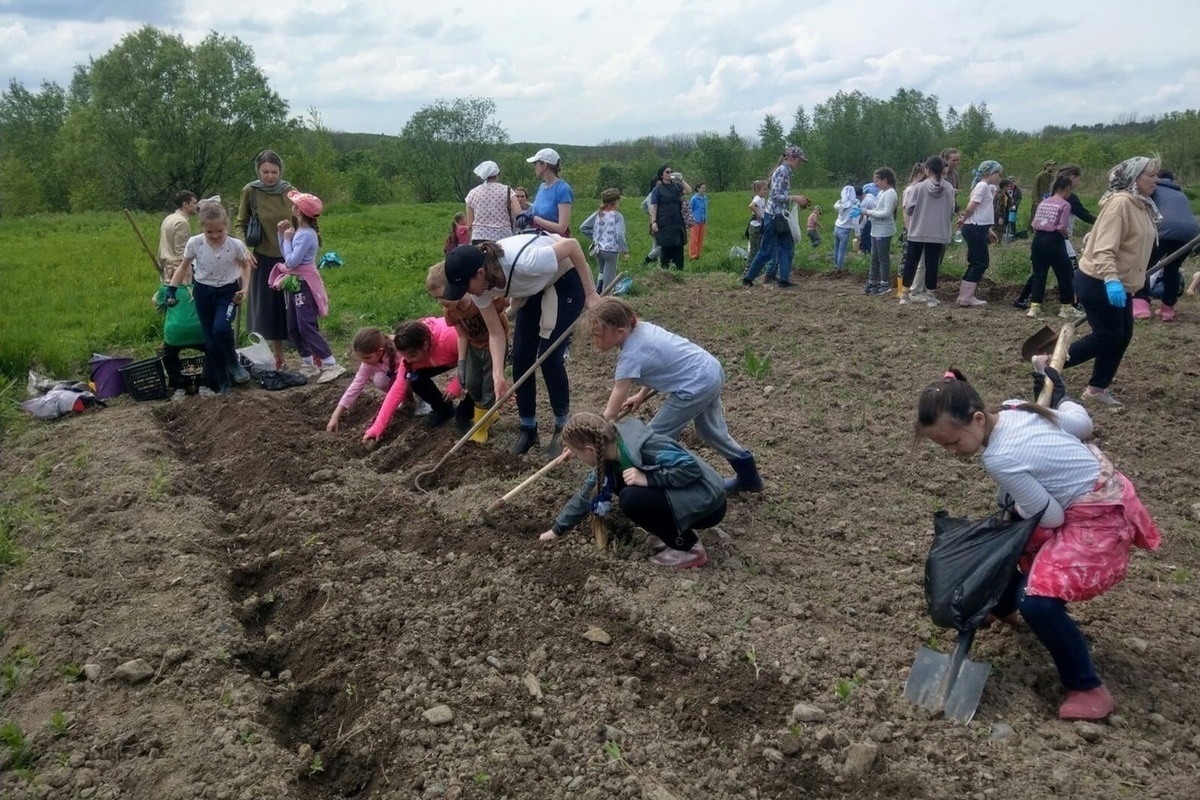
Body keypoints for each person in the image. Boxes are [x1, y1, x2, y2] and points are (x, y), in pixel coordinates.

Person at [914, 367, 1159, 721]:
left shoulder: (998, 457)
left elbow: (1050, 517)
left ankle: (1087, 688)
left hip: (1098, 522)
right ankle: (1001, 605)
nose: (952, 452)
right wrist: (1061, 395)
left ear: (979, 419)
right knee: (1017, 549)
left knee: (1039, 600)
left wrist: (1015, 506)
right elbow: (1081, 424)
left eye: (953, 442)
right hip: (1110, 491)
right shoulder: (1018, 409)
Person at [440, 233, 602, 457]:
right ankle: (528, 429)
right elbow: (495, 333)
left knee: (550, 358)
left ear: (480, 273)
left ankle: (562, 429)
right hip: (532, 287)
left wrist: (591, 293)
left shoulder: (526, 261)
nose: (466, 294)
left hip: (564, 278)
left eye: (466, 287)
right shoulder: (479, 288)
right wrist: (498, 374)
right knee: (521, 358)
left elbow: (572, 245)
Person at [588, 297, 765, 493]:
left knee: (652, 437)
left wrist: (601, 427)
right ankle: (749, 477)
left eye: (597, 335)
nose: (594, 341)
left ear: (619, 333)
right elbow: (658, 362)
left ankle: (656, 481)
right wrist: (641, 394)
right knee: (711, 432)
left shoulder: (630, 355)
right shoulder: (641, 329)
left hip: (695, 385)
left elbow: (616, 399)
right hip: (710, 369)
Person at [538, 412, 727, 569]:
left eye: (578, 455)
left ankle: (688, 548)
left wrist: (648, 478)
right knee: (623, 485)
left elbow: (690, 467)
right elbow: (587, 492)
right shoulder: (610, 450)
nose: (577, 458)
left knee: (631, 498)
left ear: (590, 450)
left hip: (710, 503)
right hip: (690, 496)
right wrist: (557, 529)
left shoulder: (643, 447)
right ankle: (670, 534)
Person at [1062, 156, 1162, 408]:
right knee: (1108, 335)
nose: (1156, 179)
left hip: (1121, 283)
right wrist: (1111, 280)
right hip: (1099, 280)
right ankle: (1049, 361)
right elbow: (1104, 248)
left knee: (1122, 334)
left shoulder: (1142, 204)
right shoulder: (1120, 204)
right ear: (1134, 178)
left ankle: (1097, 388)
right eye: (1150, 175)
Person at [165, 199, 253, 395]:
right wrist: (172, 288)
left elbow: (246, 266)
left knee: (221, 327)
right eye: (209, 232)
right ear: (202, 230)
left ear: (226, 228)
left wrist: (244, 290)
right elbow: (184, 267)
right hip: (203, 292)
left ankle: (233, 363)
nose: (215, 236)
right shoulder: (194, 243)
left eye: (219, 232)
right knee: (211, 343)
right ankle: (223, 384)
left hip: (228, 293)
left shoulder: (235, 245)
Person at [426, 262, 509, 442]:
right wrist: (461, 363)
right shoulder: (451, 312)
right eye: (436, 299)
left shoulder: (481, 300)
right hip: (473, 347)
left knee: (488, 388)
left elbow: (506, 300)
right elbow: (462, 335)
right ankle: (488, 415)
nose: (441, 302)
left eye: (442, 296)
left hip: (492, 348)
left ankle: (481, 426)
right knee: (471, 384)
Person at [270, 189, 343, 383]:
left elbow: (292, 262)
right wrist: (281, 236)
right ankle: (307, 362)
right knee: (293, 326)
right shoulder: (300, 232)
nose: (292, 206)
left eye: (295, 204)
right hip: (295, 285)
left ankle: (330, 362)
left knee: (306, 325)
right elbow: (288, 256)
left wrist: (285, 239)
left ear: (300, 211)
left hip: (304, 285)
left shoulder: (306, 235)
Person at [362, 317, 462, 445]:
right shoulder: (408, 360)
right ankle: (444, 410)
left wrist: (458, 382)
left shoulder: (449, 338)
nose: (407, 360)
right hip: (440, 360)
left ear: (425, 344)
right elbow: (397, 390)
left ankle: (467, 413)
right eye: (404, 356)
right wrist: (377, 427)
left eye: (412, 355)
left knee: (476, 382)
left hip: (468, 355)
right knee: (413, 378)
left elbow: (476, 358)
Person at [235, 149, 294, 370]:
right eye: (265, 172)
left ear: (281, 171)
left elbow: (303, 219)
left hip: (290, 258)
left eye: (274, 172)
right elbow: (240, 223)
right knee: (269, 311)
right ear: (258, 171)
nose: (270, 177)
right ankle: (278, 359)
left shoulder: (290, 192)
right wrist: (243, 249)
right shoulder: (251, 191)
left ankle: (310, 356)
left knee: (295, 309)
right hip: (264, 257)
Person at [1014, 165, 1095, 310]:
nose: (1079, 182)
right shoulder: (1070, 198)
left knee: (1040, 271)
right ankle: (1073, 304)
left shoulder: (1049, 195)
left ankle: (1024, 299)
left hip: (1040, 238)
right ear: (1072, 178)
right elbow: (1085, 215)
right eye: (1079, 179)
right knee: (1070, 270)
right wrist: (1103, 221)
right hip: (1059, 238)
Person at [1132, 169, 1199, 321]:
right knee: (1172, 269)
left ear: (1158, 178)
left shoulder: (1154, 188)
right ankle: (1167, 309)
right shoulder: (1180, 193)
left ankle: (1141, 305)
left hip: (1164, 229)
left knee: (1145, 265)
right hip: (1190, 232)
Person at [742, 145, 810, 288]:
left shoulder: (785, 171)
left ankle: (784, 280)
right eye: (799, 160)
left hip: (780, 216)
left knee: (787, 247)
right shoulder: (782, 172)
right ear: (791, 158)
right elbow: (775, 195)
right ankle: (748, 278)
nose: (800, 164)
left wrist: (795, 199)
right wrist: (794, 198)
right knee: (767, 250)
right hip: (774, 217)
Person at [899, 155, 956, 307]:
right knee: (932, 264)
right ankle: (931, 296)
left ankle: (904, 295)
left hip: (918, 231)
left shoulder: (919, 187)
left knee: (911, 262)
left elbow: (910, 209)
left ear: (928, 170)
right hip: (938, 232)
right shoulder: (949, 188)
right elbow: (951, 210)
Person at [327, 327, 403, 433]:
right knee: (379, 379)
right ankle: (401, 400)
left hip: (412, 376)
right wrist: (335, 416)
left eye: (367, 358)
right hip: (396, 378)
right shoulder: (368, 364)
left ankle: (419, 400)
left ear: (380, 351)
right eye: (361, 358)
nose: (364, 362)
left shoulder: (399, 350)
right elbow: (356, 385)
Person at [1025, 175, 1078, 320]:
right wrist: (1065, 234)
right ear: (1067, 190)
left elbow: (1034, 222)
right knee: (1065, 273)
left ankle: (1034, 307)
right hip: (1054, 239)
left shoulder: (1044, 202)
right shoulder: (1065, 205)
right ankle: (1066, 307)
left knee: (1039, 273)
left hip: (1038, 239)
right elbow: (1062, 226)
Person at [955, 160, 1003, 307]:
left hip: (979, 227)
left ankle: (965, 295)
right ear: (989, 173)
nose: (1000, 177)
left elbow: (982, 212)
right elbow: (971, 207)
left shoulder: (986, 187)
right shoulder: (982, 186)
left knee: (977, 261)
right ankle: (966, 297)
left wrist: (988, 230)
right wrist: (964, 219)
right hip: (974, 228)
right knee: (980, 262)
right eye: (998, 173)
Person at [153, 271, 208, 394]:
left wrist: (163, 286)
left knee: (168, 355)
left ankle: (178, 384)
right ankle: (206, 382)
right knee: (212, 350)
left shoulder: (165, 290)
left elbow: (155, 301)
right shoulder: (199, 287)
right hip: (199, 332)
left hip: (175, 334)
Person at [579, 188, 630, 292]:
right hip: (611, 251)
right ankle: (605, 300)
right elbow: (619, 234)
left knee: (602, 273)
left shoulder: (598, 214)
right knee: (609, 281)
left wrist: (595, 238)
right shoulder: (618, 216)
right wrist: (624, 251)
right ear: (616, 202)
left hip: (598, 250)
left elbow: (583, 227)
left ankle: (597, 292)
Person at [464, 160, 522, 244]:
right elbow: (518, 213)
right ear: (498, 175)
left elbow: (469, 224)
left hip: (479, 237)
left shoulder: (472, 193)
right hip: (503, 236)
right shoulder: (507, 190)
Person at [649, 165, 692, 271]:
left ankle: (679, 272)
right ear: (661, 175)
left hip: (677, 221)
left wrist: (681, 180)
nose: (670, 174)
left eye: (671, 172)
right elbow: (654, 206)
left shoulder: (677, 186)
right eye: (667, 172)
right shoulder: (657, 189)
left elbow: (689, 190)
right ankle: (665, 272)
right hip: (664, 222)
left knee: (678, 247)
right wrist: (654, 221)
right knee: (666, 248)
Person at [863, 168, 897, 295]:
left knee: (883, 258)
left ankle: (884, 283)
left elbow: (887, 213)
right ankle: (872, 281)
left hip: (883, 231)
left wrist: (868, 212)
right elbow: (877, 207)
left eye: (877, 180)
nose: (875, 183)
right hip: (875, 230)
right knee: (874, 257)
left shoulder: (890, 193)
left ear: (885, 180)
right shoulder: (882, 192)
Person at [525, 148, 573, 236]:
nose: (534, 167)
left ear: (544, 165)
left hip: (554, 241)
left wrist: (535, 219)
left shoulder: (563, 189)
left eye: (536, 164)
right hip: (538, 236)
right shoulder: (542, 187)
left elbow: (562, 228)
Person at [901, 162, 929, 299]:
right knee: (915, 261)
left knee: (923, 261)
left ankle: (918, 288)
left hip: (921, 229)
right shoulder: (911, 190)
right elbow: (906, 212)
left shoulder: (920, 189)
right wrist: (910, 230)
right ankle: (912, 290)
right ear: (919, 175)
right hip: (913, 230)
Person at [158, 191, 198, 282]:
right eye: (194, 203)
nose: (197, 206)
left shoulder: (169, 218)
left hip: (166, 265)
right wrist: (185, 273)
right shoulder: (181, 223)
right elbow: (181, 253)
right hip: (175, 269)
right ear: (185, 204)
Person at [832, 185, 858, 274]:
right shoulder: (854, 207)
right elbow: (855, 222)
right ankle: (839, 268)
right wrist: (857, 234)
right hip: (845, 230)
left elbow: (835, 205)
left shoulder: (839, 204)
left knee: (836, 248)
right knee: (842, 250)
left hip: (837, 227)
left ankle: (835, 266)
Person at [747, 180, 769, 267]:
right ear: (758, 190)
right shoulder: (757, 198)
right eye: (764, 190)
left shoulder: (762, 199)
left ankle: (757, 265)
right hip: (755, 225)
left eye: (766, 189)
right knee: (754, 247)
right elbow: (751, 205)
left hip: (760, 224)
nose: (766, 191)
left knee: (760, 245)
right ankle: (749, 266)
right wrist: (758, 214)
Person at [1030, 159, 1057, 225]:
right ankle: (1031, 230)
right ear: (1047, 166)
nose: (1053, 168)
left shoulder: (1052, 177)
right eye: (1052, 166)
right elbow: (1035, 188)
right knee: (1034, 215)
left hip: (1048, 200)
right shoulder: (1040, 176)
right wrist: (1035, 200)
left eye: (1054, 166)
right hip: (1039, 199)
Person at [688, 182, 708, 261]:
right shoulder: (694, 198)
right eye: (702, 188)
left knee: (700, 238)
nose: (704, 189)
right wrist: (691, 219)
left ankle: (698, 254)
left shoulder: (705, 198)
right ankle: (693, 255)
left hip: (703, 220)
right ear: (698, 189)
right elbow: (690, 209)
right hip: (695, 221)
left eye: (704, 188)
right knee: (694, 238)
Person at [858, 182, 878, 255]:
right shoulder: (869, 195)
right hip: (875, 215)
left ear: (858, 196)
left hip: (873, 217)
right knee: (868, 233)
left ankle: (866, 250)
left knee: (865, 234)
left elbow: (861, 216)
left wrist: (857, 225)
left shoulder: (864, 203)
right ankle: (869, 249)